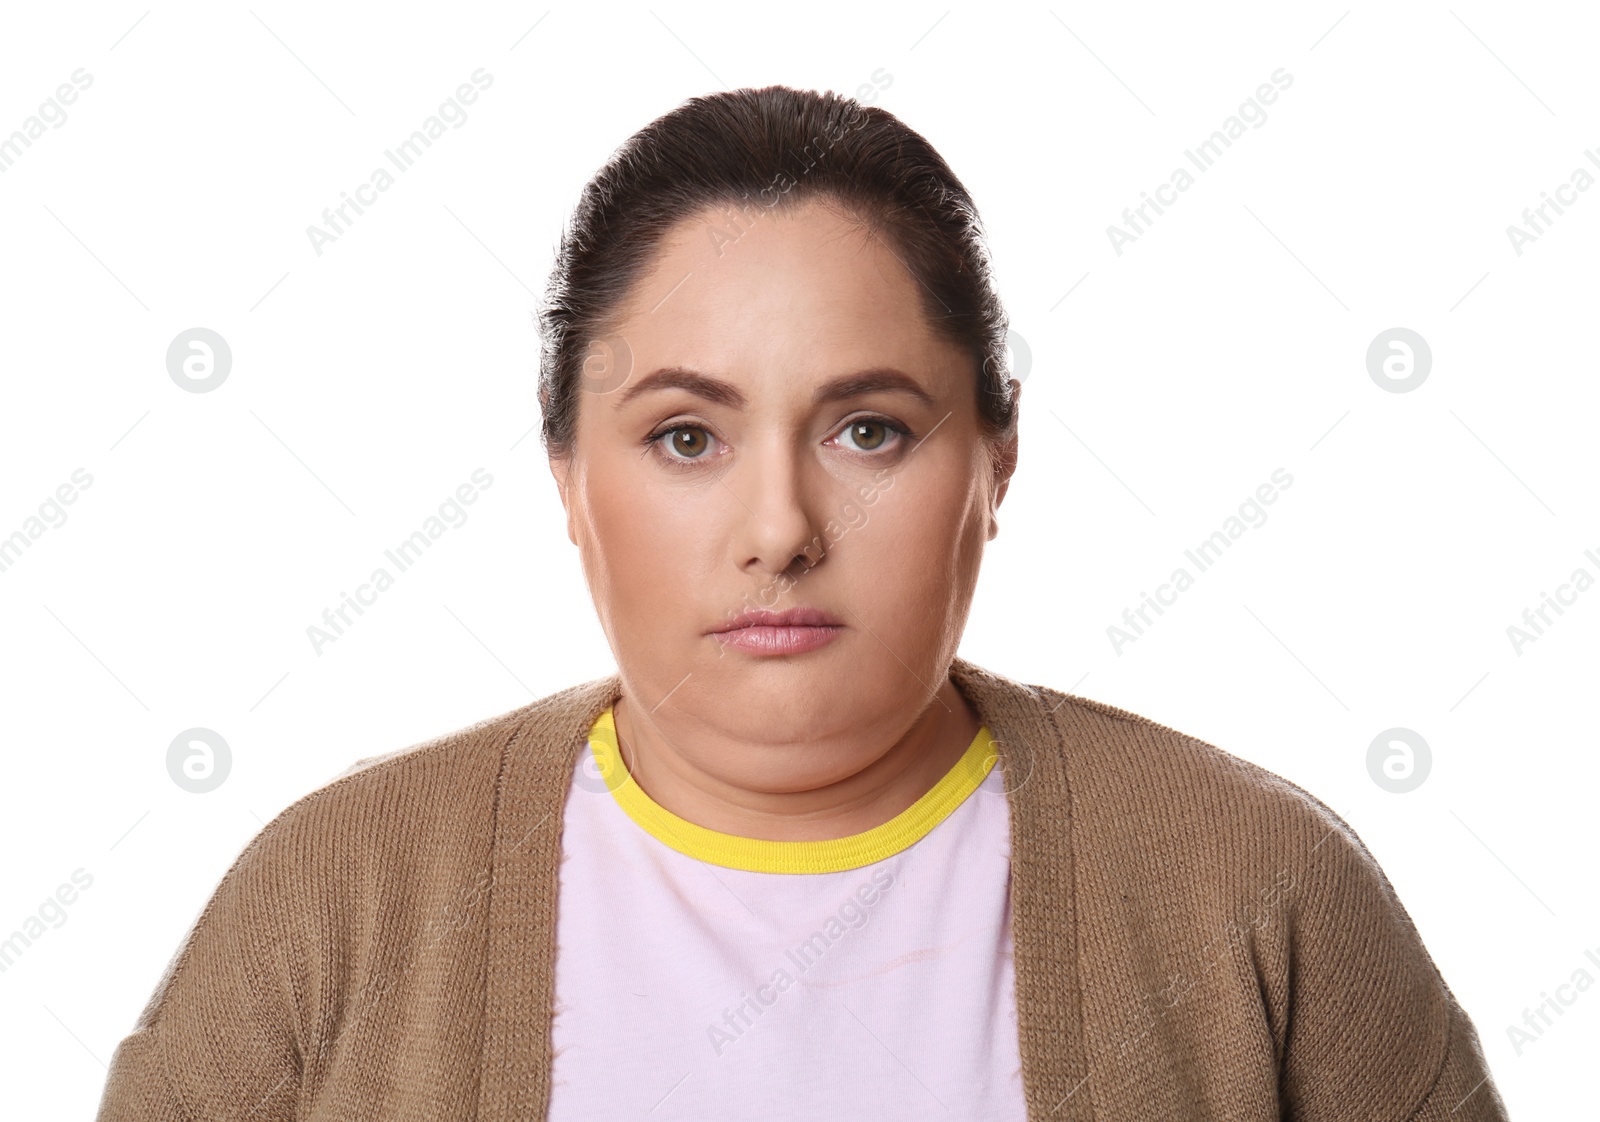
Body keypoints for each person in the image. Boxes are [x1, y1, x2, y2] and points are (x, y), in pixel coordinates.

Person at [95, 84, 1509, 1121]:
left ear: (994, 461)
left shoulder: (1257, 892)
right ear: (570, 478)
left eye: (870, 430)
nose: (778, 531)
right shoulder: (332, 899)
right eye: (687, 438)